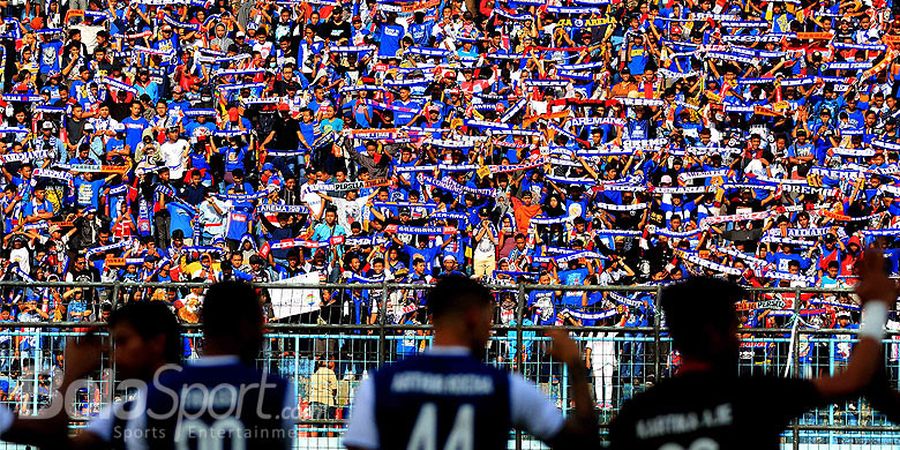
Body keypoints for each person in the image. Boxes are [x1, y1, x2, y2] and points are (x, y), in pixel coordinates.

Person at [608, 249, 894, 449]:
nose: (739, 338)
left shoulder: (634, 415)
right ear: (714, 334)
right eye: (734, 328)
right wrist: (877, 305)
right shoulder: (756, 394)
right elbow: (854, 379)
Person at [343, 275, 598, 450]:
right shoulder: (505, 387)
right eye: (490, 320)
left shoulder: (379, 385)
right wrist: (575, 366)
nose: (490, 330)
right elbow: (582, 445)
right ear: (475, 317)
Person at [0, 301, 182, 449]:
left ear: (157, 342)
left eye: (122, 341)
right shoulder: (120, 414)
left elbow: (50, 434)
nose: (115, 353)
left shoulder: (128, 413)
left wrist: (71, 375)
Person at [137, 280, 296, 450]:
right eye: (260, 323)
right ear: (248, 325)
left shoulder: (156, 391)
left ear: (204, 322)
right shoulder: (277, 392)